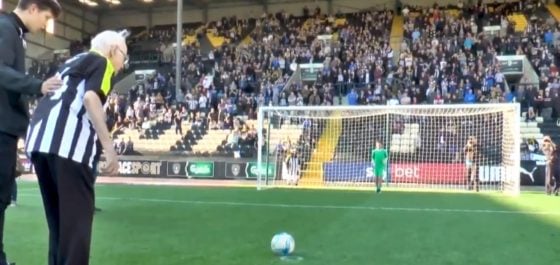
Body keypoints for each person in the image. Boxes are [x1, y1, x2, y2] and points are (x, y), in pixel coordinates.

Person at [24, 30, 126, 265]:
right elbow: (90, 98)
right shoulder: (102, 61)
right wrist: (109, 147)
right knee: (77, 228)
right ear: (112, 50)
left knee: (59, 226)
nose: (123, 63)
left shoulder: (71, 61)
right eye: (124, 55)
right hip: (68, 146)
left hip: (40, 141)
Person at [0, 0, 62, 264]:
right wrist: (39, 85)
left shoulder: (13, 32)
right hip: (1, 127)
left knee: (2, 196)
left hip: (7, 128)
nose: (44, 25)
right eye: (46, 17)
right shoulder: (5, 28)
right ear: (33, 8)